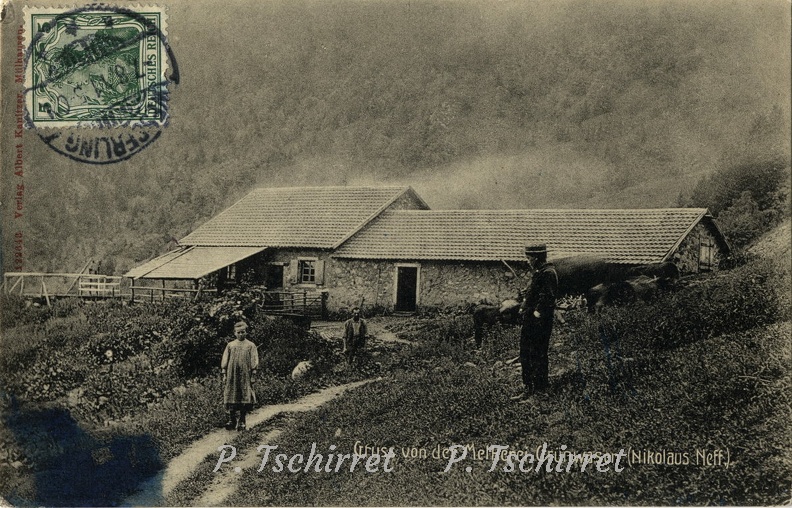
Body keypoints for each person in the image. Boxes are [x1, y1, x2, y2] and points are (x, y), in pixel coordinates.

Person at [512, 243, 558, 402]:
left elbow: (548, 297)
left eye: (529, 257)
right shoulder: (538, 272)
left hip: (540, 321)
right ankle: (528, 388)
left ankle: (540, 391)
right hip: (530, 319)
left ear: (537, 258)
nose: (527, 260)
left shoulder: (548, 273)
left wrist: (537, 313)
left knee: (538, 354)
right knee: (526, 353)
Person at [221, 321, 259, 430]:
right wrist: (224, 374)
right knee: (231, 394)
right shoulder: (230, 345)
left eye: (243, 332)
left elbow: (254, 361)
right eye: (238, 332)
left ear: (246, 332)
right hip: (232, 375)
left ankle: (242, 420)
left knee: (244, 395)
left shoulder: (251, 345)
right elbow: (225, 360)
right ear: (235, 333)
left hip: (245, 374)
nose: (241, 334)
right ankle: (231, 419)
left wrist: (253, 375)